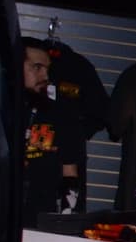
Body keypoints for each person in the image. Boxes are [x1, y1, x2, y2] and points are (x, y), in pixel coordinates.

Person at [19, 37, 86, 217]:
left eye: (47, 69)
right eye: (37, 67)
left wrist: (65, 218)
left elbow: (69, 173)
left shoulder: (61, 114)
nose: (45, 76)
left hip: (42, 223)